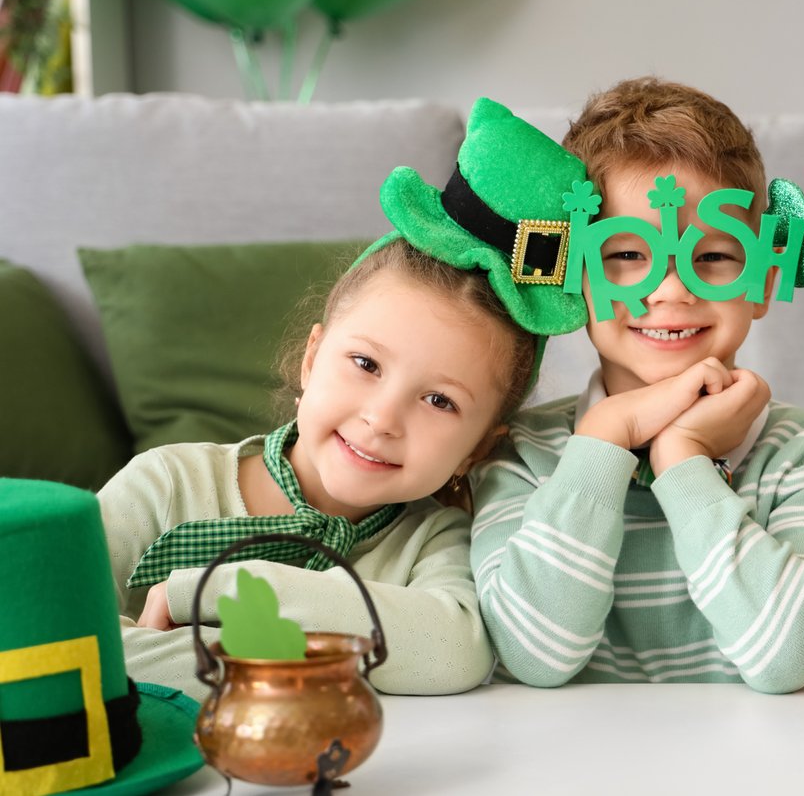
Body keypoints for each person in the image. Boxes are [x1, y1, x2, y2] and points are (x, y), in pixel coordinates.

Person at [100, 97, 592, 698]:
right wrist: (302, 657)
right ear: (312, 358)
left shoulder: (432, 539)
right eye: (366, 364)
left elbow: (455, 652)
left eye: (440, 401)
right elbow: (53, 635)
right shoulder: (164, 485)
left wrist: (221, 593)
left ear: (475, 450)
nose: (382, 418)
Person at [469, 77, 804, 693]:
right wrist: (607, 437)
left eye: (712, 258)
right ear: (574, 277)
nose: (672, 289)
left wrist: (683, 458)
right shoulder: (521, 452)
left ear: (764, 281)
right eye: (627, 255)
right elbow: (534, 657)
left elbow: (787, 660)